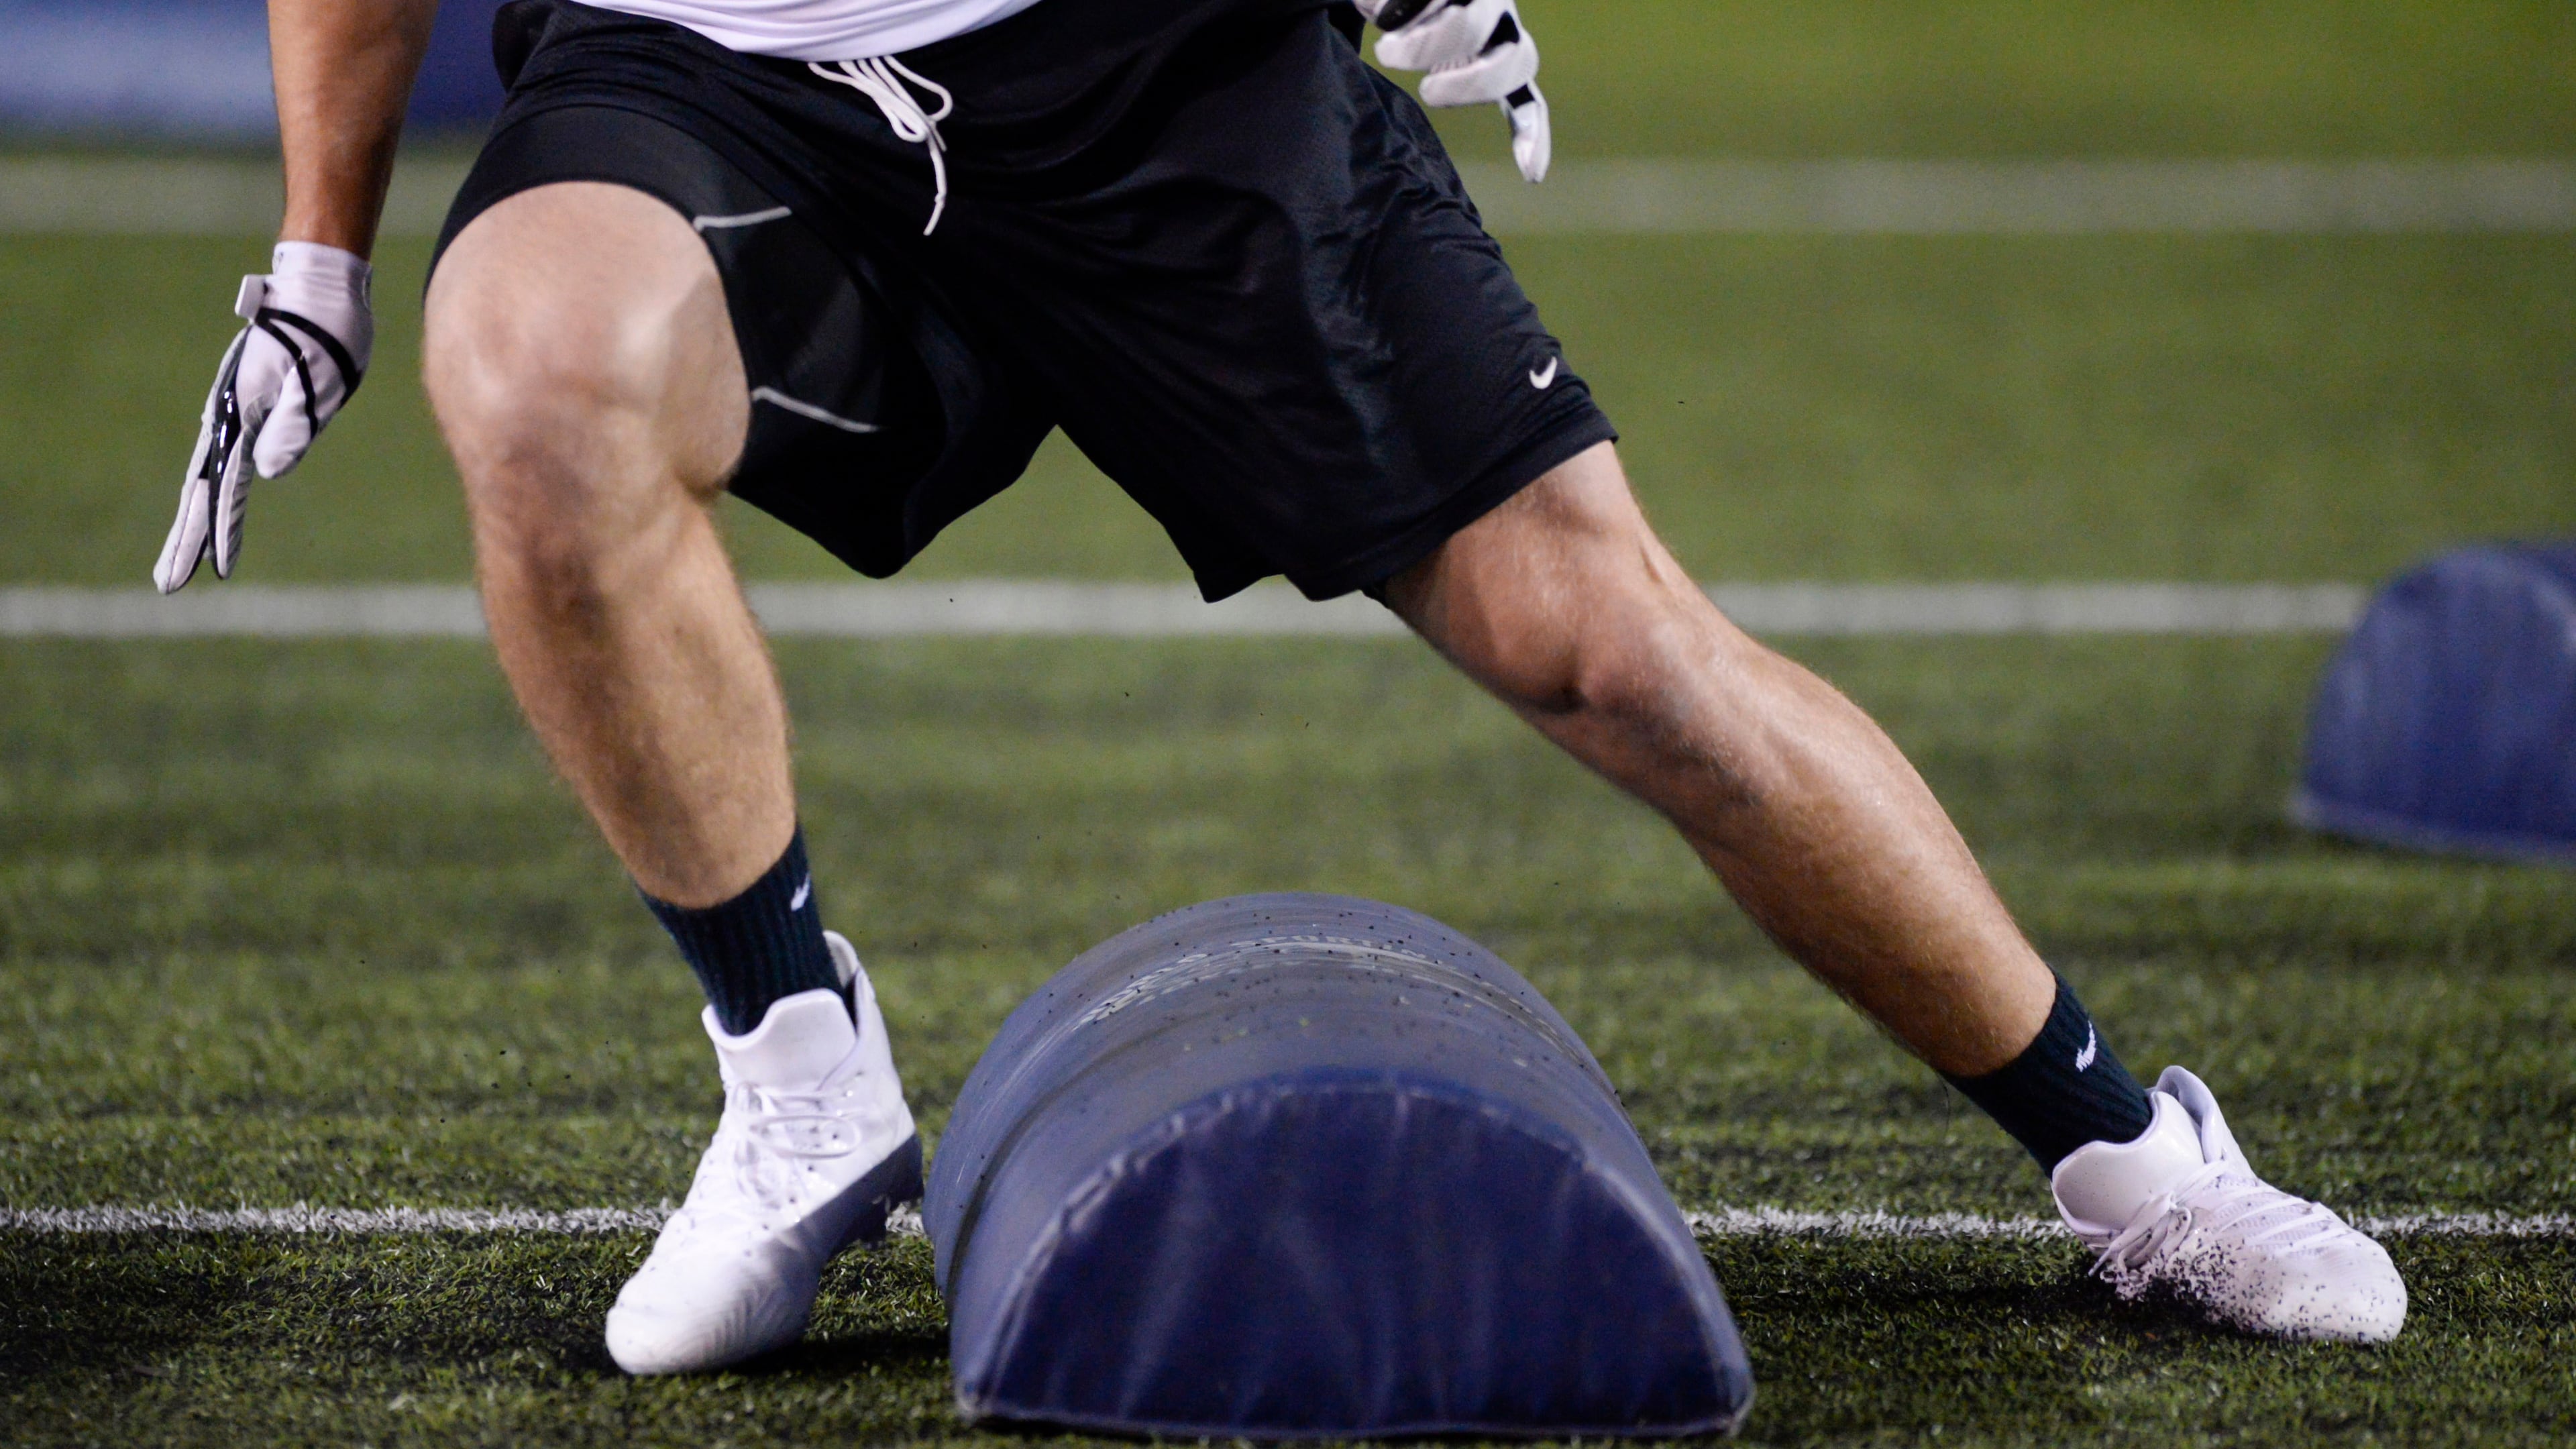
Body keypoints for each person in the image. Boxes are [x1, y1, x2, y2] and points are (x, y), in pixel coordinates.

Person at [154, 0, 2407, 1375]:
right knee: (531, 376)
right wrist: (322, 262)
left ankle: (2132, 1155)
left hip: (1147, 54)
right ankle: (800, 1081)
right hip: (712, 89)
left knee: (1614, 652)